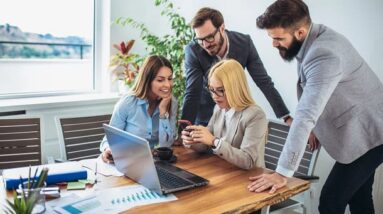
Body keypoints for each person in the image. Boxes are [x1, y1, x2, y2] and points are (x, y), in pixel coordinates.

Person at [248, 0, 383, 213]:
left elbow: (305, 115)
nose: (273, 44)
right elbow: (317, 93)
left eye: (278, 38)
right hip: (366, 123)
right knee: (360, 196)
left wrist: (282, 173)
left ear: (300, 32)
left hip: (371, 133)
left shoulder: (324, 54)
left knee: (330, 201)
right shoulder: (314, 38)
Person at [181, 7, 291, 127]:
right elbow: (193, 92)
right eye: (200, 40)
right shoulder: (193, 50)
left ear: (222, 28)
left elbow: (264, 82)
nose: (205, 44)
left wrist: (286, 117)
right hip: (206, 119)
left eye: (209, 37)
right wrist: (184, 130)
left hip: (236, 118)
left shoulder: (244, 43)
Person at [181, 59, 268, 170]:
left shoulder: (255, 115)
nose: (214, 96)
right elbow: (206, 144)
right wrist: (193, 140)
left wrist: (214, 141)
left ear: (235, 88)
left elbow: (248, 161)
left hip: (249, 178)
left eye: (220, 90)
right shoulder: (218, 108)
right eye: (211, 90)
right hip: (224, 171)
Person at [100, 55, 178, 163]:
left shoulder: (171, 102)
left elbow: (166, 145)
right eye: (160, 80)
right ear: (147, 80)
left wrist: (163, 111)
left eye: (170, 79)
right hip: (126, 161)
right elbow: (110, 139)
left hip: (150, 163)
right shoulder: (128, 102)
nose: (167, 85)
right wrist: (108, 149)